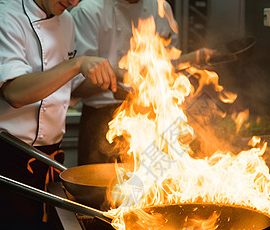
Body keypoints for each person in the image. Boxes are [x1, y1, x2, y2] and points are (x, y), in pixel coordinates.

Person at [0, 0, 118, 230]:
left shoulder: (65, 21)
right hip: (8, 163)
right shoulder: (0, 20)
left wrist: (112, 80)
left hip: (49, 164)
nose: (74, 1)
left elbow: (66, 88)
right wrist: (78, 63)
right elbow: (15, 91)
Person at [70, 0, 213, 165]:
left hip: (152, 120)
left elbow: (166, 67)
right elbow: (75, 85)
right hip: (102, 123)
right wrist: (116, 76)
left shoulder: (161, 7)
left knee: (152, 188)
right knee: (97, 187)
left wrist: (193, 59)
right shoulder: (88, 11)